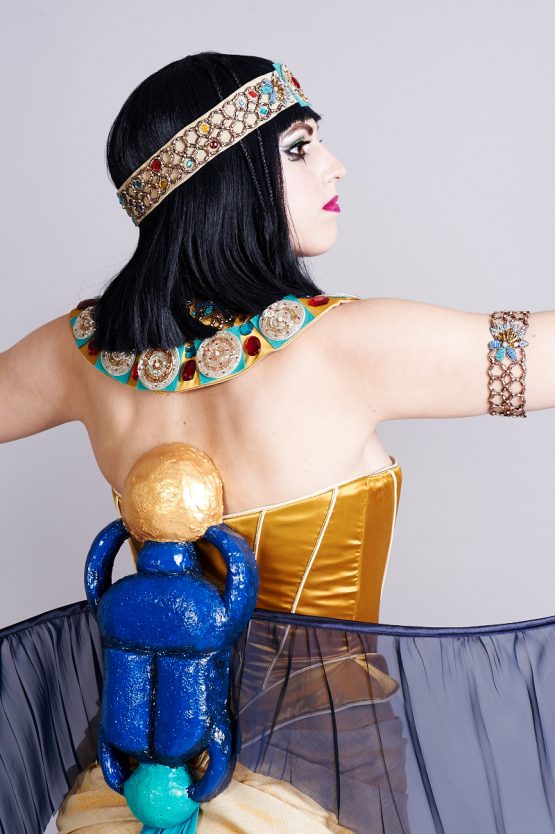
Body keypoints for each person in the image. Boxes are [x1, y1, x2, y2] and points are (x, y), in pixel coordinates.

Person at [1, 50, 554, 834]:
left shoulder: (77, 355)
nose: (335, 166)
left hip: (131, 775)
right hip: (321, 776)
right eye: (298, 147)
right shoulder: (346, 347)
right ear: (225, 180)